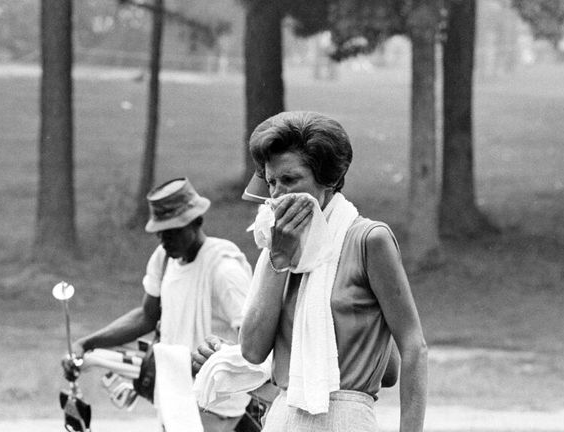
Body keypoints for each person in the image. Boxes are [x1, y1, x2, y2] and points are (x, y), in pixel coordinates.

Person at [232, 111, 427, 431]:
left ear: (328, 178)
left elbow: (412, 347)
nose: (278, 194)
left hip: (345, 418)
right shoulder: (276, 247)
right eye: (271, 182)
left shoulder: (368, 240)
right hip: (285, 416)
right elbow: (252, 350)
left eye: (291, 179)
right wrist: (277, 259)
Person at [62, 177, 253, 432]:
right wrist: (87, 343)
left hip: (215, 405)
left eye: (173, 232)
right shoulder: (164, 259)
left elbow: (252, 341)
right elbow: (146, 316)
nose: (165, 241)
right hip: (175, 397)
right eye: (160, 233)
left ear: (197, 221)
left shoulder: (224, 269)